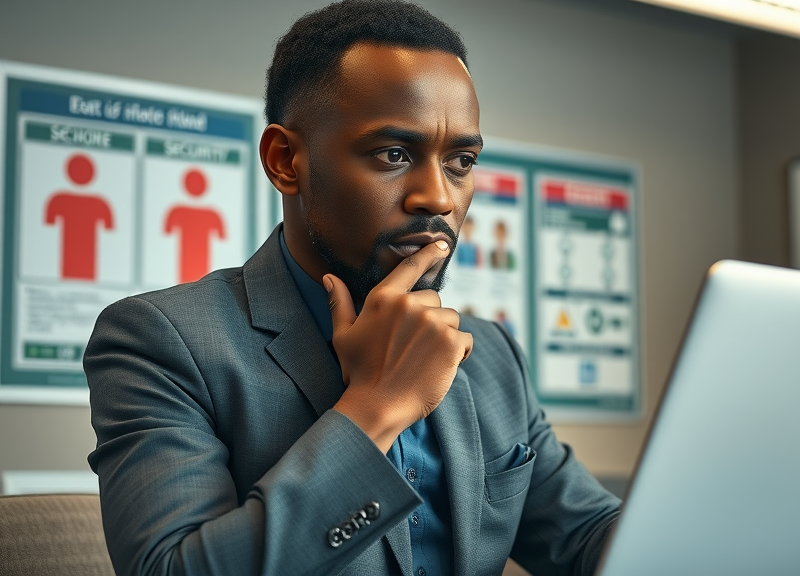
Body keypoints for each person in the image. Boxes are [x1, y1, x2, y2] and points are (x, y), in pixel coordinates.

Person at [84, 2, 621, 575]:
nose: (438, 198)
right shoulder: (163, 343)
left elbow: (588, 538)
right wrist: (377, 406)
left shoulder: (489, 355)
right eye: (394, 155)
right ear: (285, 160)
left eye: (460, 161)